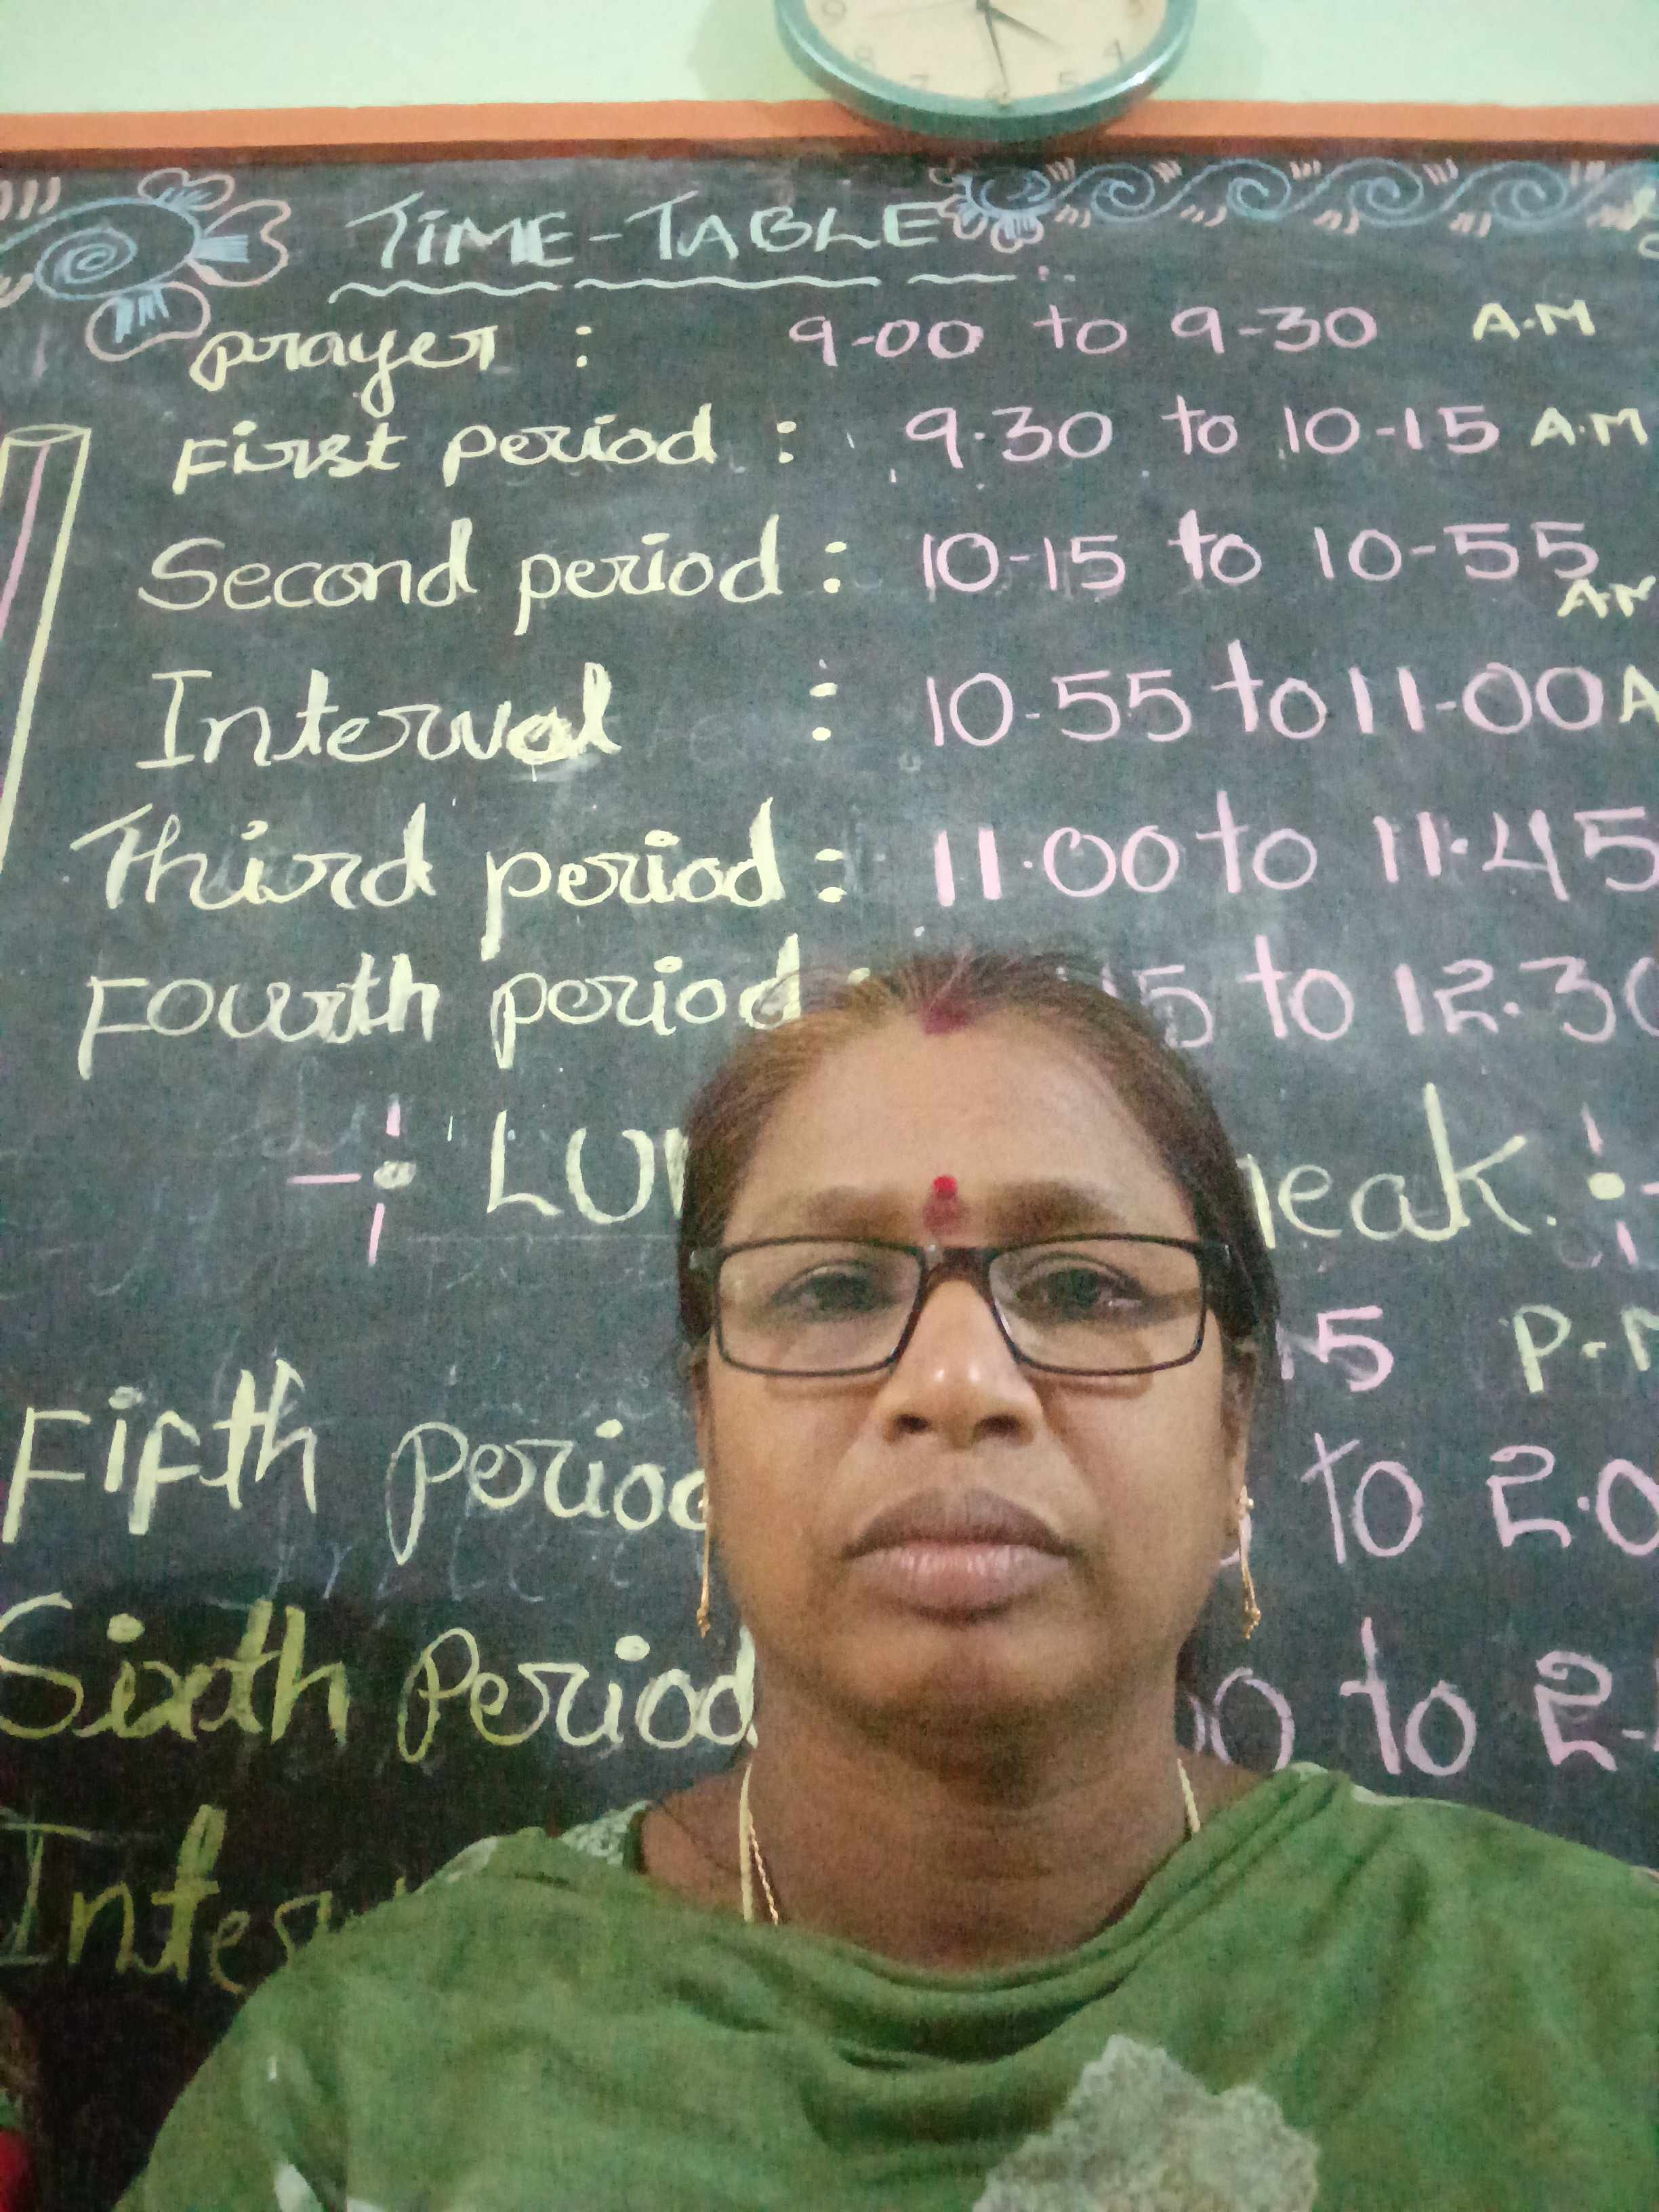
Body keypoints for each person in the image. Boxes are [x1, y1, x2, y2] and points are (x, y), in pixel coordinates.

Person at [121, 951, 1657, 2211]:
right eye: (833, 1289)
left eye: (1084, 1287)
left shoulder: (1593, 2011)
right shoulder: (368, 2090)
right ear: (706, 1425)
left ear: (1234, 1423)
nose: (959, 1384)